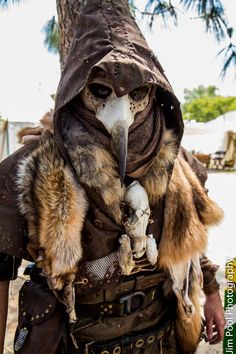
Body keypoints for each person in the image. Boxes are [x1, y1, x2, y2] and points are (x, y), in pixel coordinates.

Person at [0, 1, 225, 353]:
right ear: (79, 85)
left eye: (136, 92)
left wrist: (212, 293)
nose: (121, 111)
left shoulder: (177, 160)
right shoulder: (31, 169)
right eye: (101, 89)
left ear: (154, 90)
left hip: (162, 334)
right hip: (79, 340)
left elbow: (190, 236)